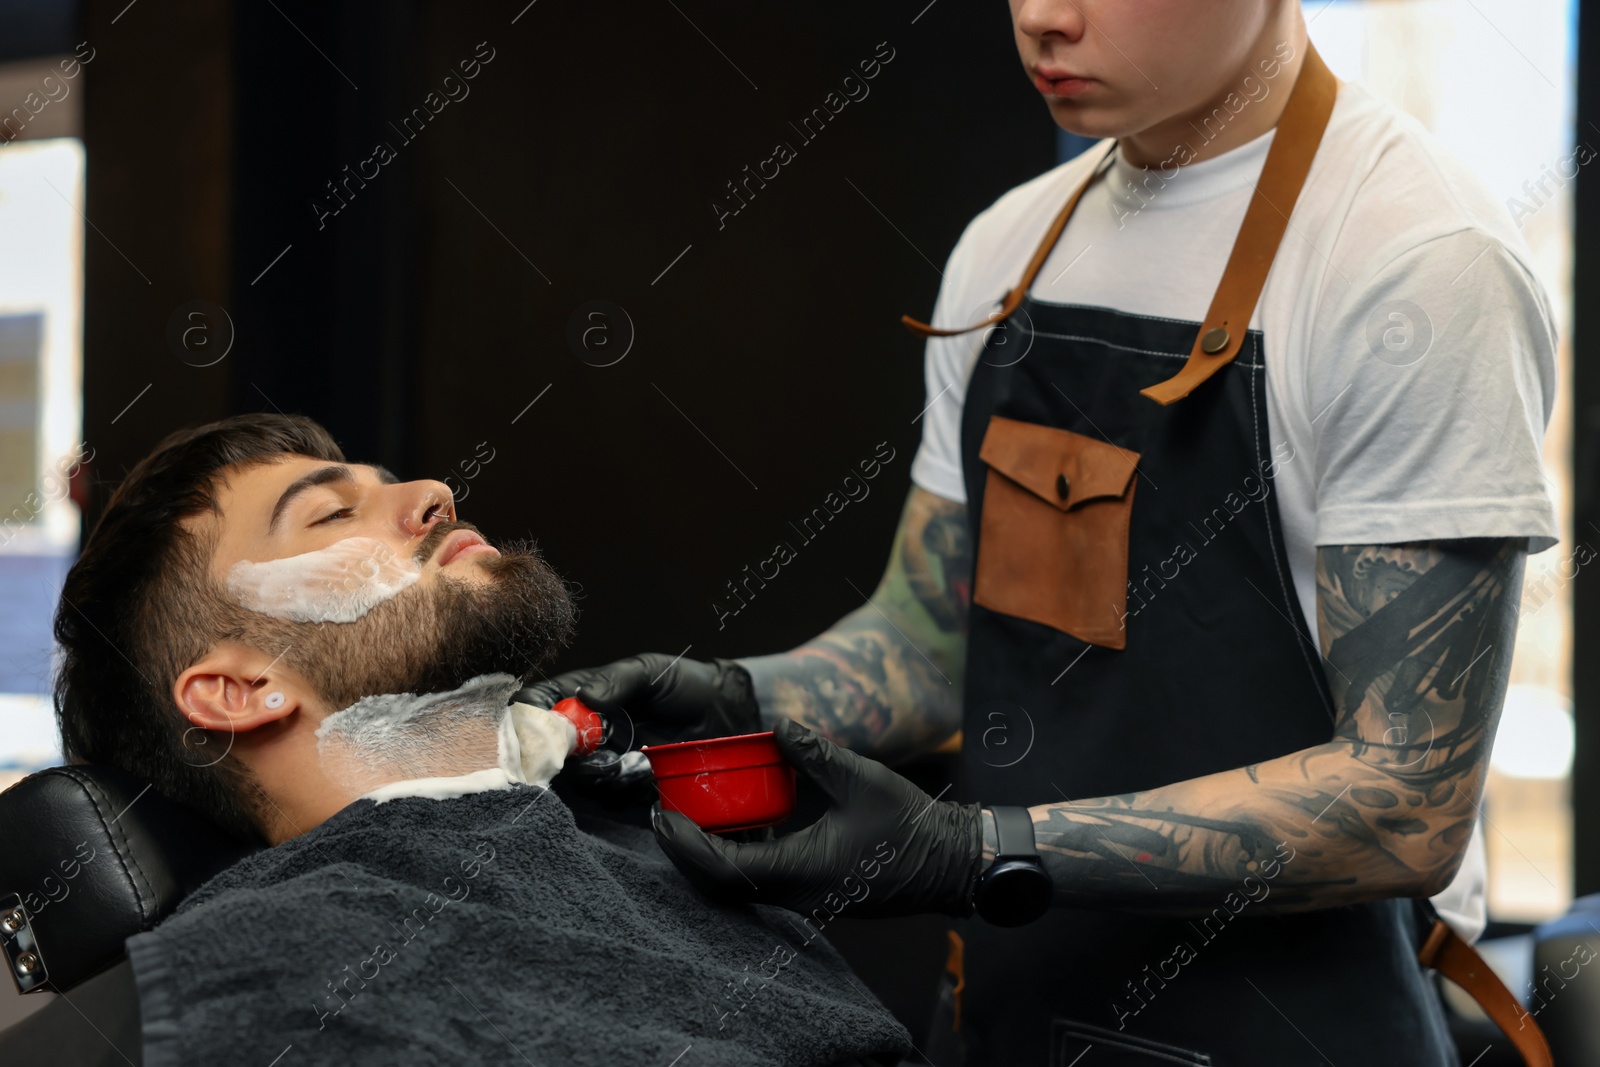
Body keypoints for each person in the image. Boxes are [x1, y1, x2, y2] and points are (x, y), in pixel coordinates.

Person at [527, 2, 1560, 1064]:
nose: (1040, 18)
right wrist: (728, 702)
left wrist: (975, 851)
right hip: (1010, 1019)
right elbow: (931, 649)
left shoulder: (1417, 268)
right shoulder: (1009, 248)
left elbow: (1405, 800)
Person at [50, 413, 912, 1067]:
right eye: (330, 514)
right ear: (241, 689)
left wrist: (983, 855)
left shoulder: (637, 840)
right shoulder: (278, 985)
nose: (431, 493)